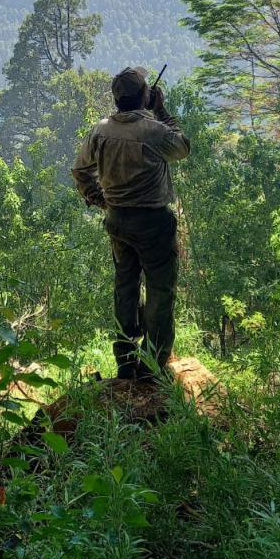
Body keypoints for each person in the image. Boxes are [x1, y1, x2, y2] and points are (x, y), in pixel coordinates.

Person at [71, 66, 190, 380]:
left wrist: (100, 199)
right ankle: (153, 364)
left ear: (116, 99)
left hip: (118, 221)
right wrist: (161, 110)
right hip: (153, 223)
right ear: (144, 95)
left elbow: (80, 171)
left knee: (125, 287)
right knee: (160, 290)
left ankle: (126, 359)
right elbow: (182, 147)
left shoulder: (100, 131)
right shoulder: (154, 130)